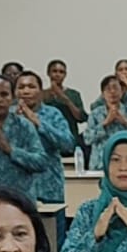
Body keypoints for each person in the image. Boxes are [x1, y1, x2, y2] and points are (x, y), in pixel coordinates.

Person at [13, 71, 75, 206]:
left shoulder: (53, 114)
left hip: (49, 189)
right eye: (21, 87)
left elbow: (68, 144)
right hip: (16, 192)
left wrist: (38, 122)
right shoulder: (8, 117)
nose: (26, 91)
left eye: (31, 86)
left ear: (40, 91)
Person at [84, 75, 127, 170]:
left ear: (122, 91)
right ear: (103, 94)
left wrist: (125, 122)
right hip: (100, 165)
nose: (112, 92)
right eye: (108, 89)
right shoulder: (95, 114)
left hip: (126, 165)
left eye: (115, 88)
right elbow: (87, 139)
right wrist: (105, 123)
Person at [43, 59, 89, 147]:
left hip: (70, 138)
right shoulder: (42, 94)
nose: (57, 75)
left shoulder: (73, 94)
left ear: (65, 75)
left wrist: (66, 100)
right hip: (47, 140)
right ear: (48, 73)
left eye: (61, 72)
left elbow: (81, 118)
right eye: (54, 71)